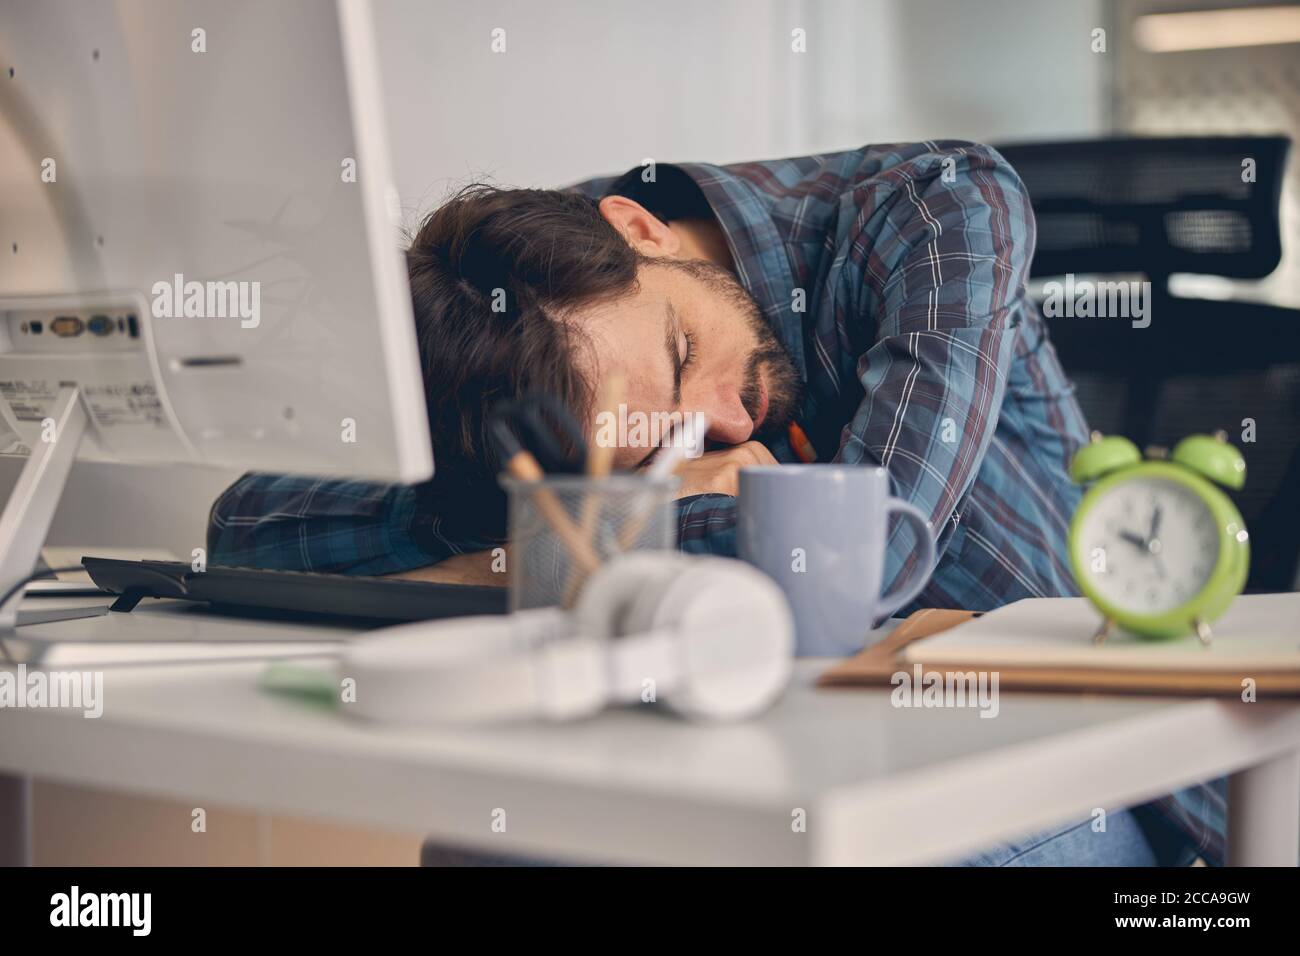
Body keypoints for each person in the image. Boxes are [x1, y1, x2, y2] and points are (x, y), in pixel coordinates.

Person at [208, 142, 1225, 866]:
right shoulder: (515, 336)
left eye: (682, 356)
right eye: (653, 443)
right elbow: (247, 525)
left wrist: (594, 525)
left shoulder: (935, 210)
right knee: (499, 843)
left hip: (1081, 771)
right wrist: (528, 532)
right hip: (756, 758)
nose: (722, 427)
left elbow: (866, 557)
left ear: (641, 227)